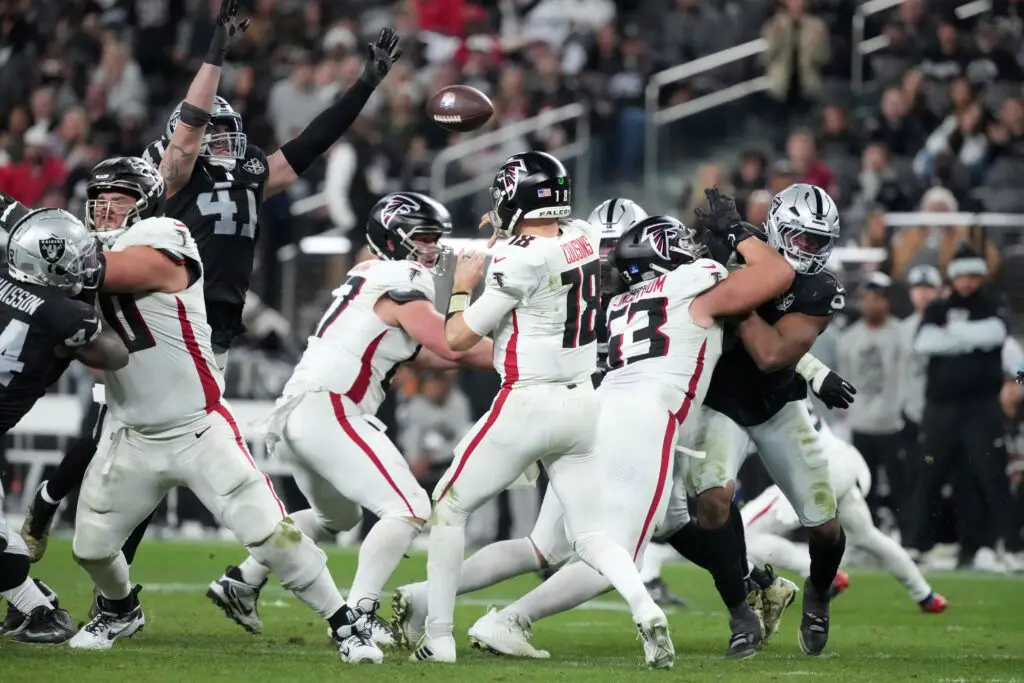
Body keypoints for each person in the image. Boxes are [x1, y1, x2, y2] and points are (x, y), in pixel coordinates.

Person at [20, 0, 402, 571]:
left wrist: (364, 86)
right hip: (158, 324)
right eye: (210, 132)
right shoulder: (171, 178)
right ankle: (48, 512)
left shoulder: (251, 176)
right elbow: (190, 128)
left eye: (228, 132)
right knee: (114, 435)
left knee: (147, 454)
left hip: (214, 331)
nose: (221, 142)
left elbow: (313, 141)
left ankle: (110, 575)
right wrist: (215, 54)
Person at [396, 210, 794, 660]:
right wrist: (740, 234)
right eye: (683, 242)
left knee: (542, 546)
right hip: (644, 420)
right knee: (619, 556)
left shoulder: (622, 303)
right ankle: (510, 620)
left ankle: (425, 594)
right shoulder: (695, 284)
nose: (696, 248)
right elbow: (778, 273)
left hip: (595, 407)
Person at [53, 157, 379, 663]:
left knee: (270, 534)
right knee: (90, 549)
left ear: (147, 204)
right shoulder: (83, 252)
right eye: (100, 199)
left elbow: (112, 270)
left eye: (120, 198)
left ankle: (345, 625)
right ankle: (119, 610)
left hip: (196, 427)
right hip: (133, 434)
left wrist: (41, 253)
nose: (107, 208)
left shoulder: (167, 235)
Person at [408, 151, 673, 668]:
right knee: (592, 534)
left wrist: (463, 284)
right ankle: (645, 608)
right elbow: (541, 251)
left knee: (449, 505)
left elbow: (458, 338)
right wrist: (505, 241)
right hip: (581, 404)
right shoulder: (582, 236)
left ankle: (438, 638)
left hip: (528, 401)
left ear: (516, 197)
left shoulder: (516, 259)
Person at [204, 193, 493, 649]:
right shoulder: (400, 279)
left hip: (301, 412)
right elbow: (450, 343)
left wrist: (512, 355)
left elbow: (436, 355)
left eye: (436, 238)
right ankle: (360, 613)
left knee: (336, 516)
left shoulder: (368, 276)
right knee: (410, 508)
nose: (432, 248)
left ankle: (244, 577)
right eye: (422, 237)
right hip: (332, 410)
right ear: (393, 239)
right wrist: (466, 292)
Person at [667, 183, 850, 657]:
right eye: (800, 239)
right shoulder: (739, 246)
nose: (807, 250)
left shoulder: (818, 287)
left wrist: (735, 289)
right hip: (719, 401)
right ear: (776, 230)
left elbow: (771, 355)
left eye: (816, 242)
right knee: (711, 505)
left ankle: (818, 592)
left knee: (825, 527)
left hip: (776, 404)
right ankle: (742, 612)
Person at [0, 208, 129, 644]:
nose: (87, 268)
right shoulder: (64, 314)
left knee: (8, 559)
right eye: (77, 260)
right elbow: (114, 355)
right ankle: (38, 609)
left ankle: (37, 610)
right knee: (8, 559)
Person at [742, 401, 949, 614]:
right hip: (843, 462)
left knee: (742, 533)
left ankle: (824, 576)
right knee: (866, 536)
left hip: (816, 472)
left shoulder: (755, 389)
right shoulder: (786, 378)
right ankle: (926, 595)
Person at [908, 242, 1017, 571]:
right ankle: (914, 545)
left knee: (991, 477)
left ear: (981, 276)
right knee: (927, 475)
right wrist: (974, 337)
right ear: (953, 278)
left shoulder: (995, 304)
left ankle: (1010, 547)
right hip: (940, 409)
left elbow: (999, 336)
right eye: (962, 276)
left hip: (982, 409)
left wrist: (953, 336)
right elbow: (924, 342)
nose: (967, 282)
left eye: (973, 275)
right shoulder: (938, 308)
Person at [836, 273, 908, 534]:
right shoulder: (849, 338)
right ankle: (866, 536)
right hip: (861, 422)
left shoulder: (901, 333)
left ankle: (905, 535)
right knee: (862, 487)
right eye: (867, 298)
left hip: (893, 423)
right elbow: (844, 378)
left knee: (900, 484)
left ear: (887, 302)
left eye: (877, 299)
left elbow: (907, 376)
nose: (871, 304)